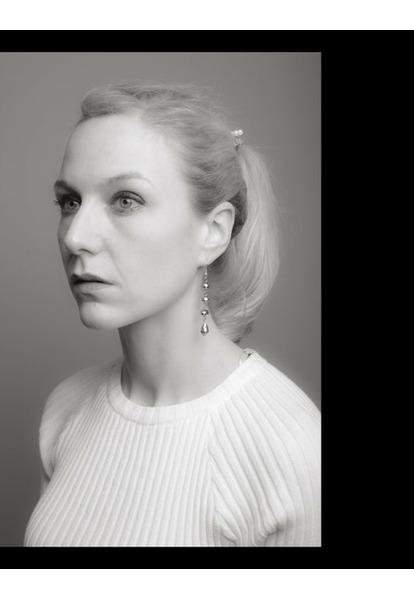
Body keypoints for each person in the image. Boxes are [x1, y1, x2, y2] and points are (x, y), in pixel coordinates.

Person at [23, 81, 321, 547]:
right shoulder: (67, 408)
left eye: (126, 200)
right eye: (69, 201)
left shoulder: (291, 448)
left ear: (213, 232)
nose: (76, 236)